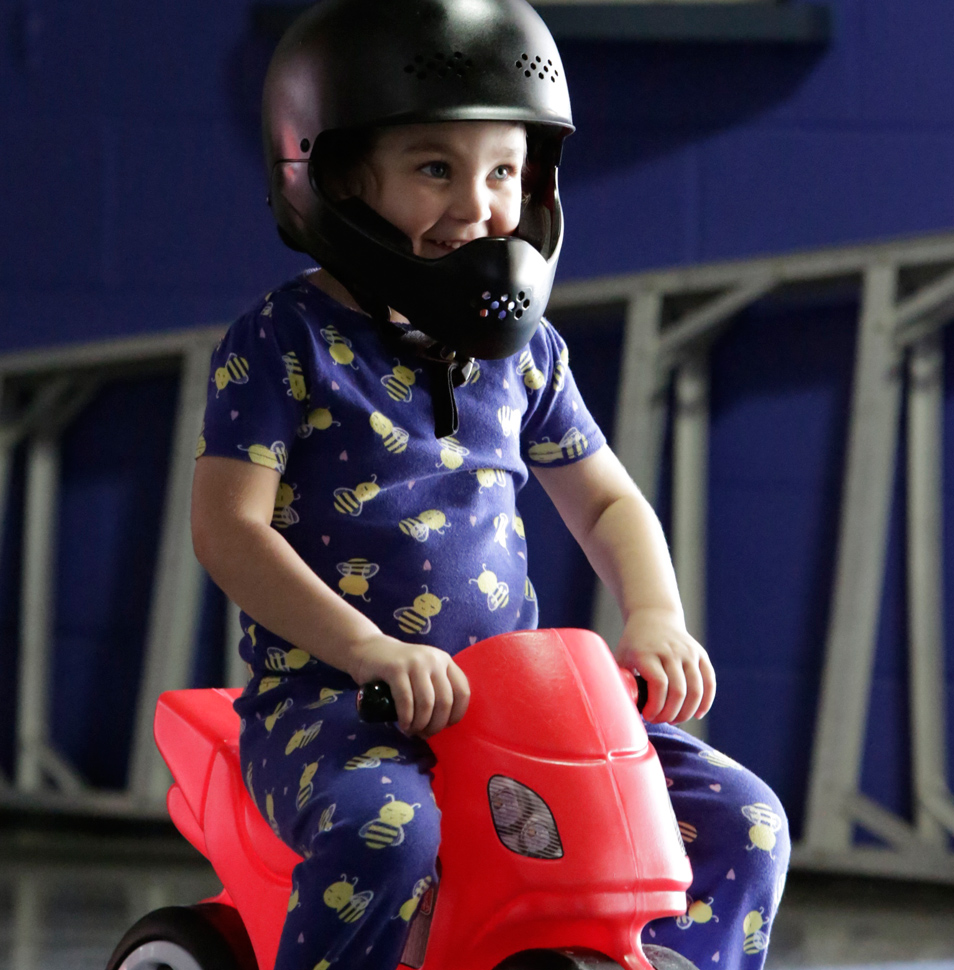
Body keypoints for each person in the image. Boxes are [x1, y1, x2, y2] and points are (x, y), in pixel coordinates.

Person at [190, 1, 789, 968]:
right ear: (339, 176)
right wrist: (369, 650)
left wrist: (657, 616)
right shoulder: (282, 344)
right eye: (437, 168)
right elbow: (229, 532)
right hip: (336, 704)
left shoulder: (526, 358)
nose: (479, 206)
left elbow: (605, 501)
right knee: (388, 836)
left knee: (747, 823)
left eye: (505, 171)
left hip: (516, 710)